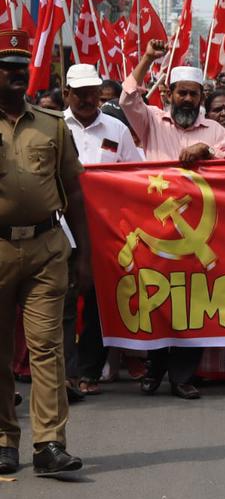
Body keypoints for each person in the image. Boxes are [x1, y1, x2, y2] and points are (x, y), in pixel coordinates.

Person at [122, 41, 225, 400]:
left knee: (193, 302)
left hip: (203, 231)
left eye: (193, 93)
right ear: (169, 93)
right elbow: (128, 99)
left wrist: (207, 151)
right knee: (158, 297)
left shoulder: (215, 130)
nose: (187, 99)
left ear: (202, 96)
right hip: (157, 228)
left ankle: (183, 376)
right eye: (181, 93)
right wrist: (147, 58)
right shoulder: (152, 122)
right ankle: (154, 369)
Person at [0, 31, 90, 476]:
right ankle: (4, 439)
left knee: (47, 349)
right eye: (7, 68)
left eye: (22, 67)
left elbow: (73, 189)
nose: (18, 75)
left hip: (46, 247)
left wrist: (84, 256)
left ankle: (49, 443)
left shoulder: (52, 124)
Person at [61, 65, 142, 400]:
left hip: (104, 233)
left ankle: (88, 372)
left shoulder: (116, 129)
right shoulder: (54, 127)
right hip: (60, 230)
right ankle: (64, 375)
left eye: (91, 92)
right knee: (61, 305)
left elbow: (135, 174)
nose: (86, 99)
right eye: (79, 92)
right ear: (66, 93)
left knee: (97, 303)